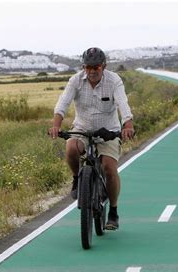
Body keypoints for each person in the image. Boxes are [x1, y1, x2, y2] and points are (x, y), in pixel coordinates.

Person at [48, 47, 134, 230]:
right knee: (71, 149)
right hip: (82, 128)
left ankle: (113, 211)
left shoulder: (114, 80)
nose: (92, 71)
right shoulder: (76, 80)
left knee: (109, 168)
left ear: (103, 66)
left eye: (96, 67)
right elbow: (63, 103)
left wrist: (128, 125)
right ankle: (76, 179)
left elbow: (122, 104)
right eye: (88, 67)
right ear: (83, 67)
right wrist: (56, 125)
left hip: (108, 130)